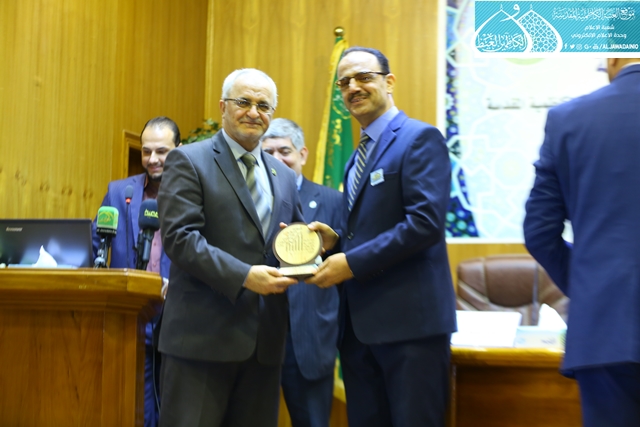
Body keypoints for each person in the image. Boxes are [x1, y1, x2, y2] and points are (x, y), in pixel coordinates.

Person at [305, 47, 457, 427]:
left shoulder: (419, 138)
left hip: (411, 329)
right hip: (360, 331)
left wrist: (351, 263)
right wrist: (336, 244)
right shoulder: (357, 157)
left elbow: (424, 224)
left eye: (363, 77)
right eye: (344, 82)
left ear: (389, 82)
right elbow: (372, 230)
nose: (353, 87)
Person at [156, 68, 304, 427]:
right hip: (201, 344)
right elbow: (180, 238)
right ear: (223, 106)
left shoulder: (284, 175)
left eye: (263, 106)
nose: (254, 112)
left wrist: (319, 244)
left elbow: (291, 240)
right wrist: (245, 276)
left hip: (264, 347)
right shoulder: (189, 160)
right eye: (244, 102)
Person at [524, 58, 640, 427]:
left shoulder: (569, 119)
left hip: (604, 332)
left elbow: (539, 231)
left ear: (613, 56)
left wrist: (592, 287)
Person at [92, 115, 180, 427]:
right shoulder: (119, 192)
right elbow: (96, 241)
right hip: (131, 319)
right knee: (136, 409)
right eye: (146, 151)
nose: (152, 159)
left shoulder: (192, 195)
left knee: (174, 408)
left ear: (179, 149)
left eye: (162, 151)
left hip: (177, 319)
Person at [260, 118, 341, 427]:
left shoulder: (332, 201)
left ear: (302, 154)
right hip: (258, 335)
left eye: (285, 151)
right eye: (268, 153)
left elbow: (346, 263)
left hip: (310, 338)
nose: (277, 159)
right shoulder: (251, 200)